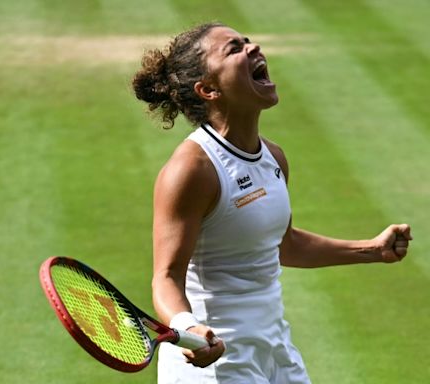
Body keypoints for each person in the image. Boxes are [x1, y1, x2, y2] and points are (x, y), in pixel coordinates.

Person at [131, 22, 412, 384]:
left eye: (246, 41)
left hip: (275, 349)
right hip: (215, 362)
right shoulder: (193, 170)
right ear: (208, 89)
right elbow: (166, 276)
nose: (253, 47)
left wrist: (370, 249)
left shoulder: (273, 158)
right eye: (233, 49)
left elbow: (284, 244)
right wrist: (188, 327)